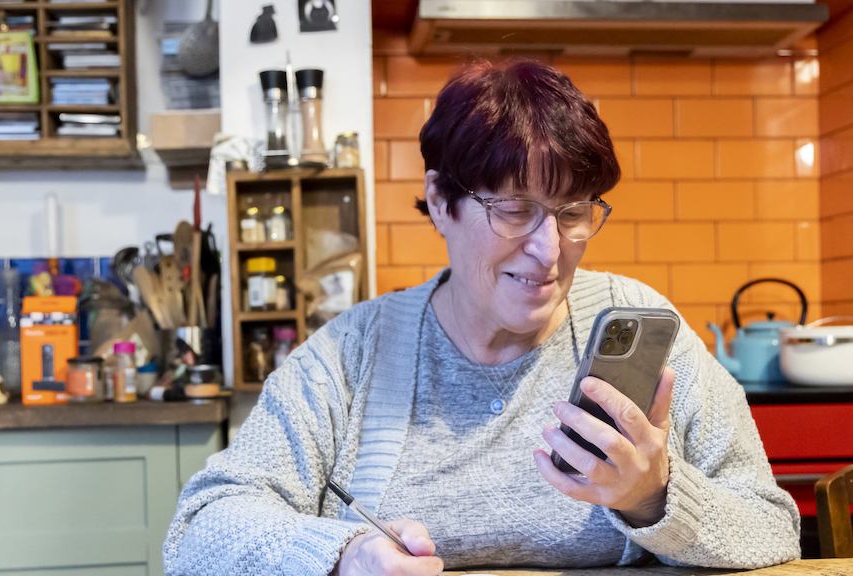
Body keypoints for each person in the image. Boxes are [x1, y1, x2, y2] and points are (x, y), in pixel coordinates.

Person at [163, 59, 800, 575]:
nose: (550, 250)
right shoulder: (352, 355)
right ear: (441, 201)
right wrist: (344, 555)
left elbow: (773, 528)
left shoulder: (641, 330)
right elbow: (198, 532)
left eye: (572, 211)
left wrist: (653, 500)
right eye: (515, 209)